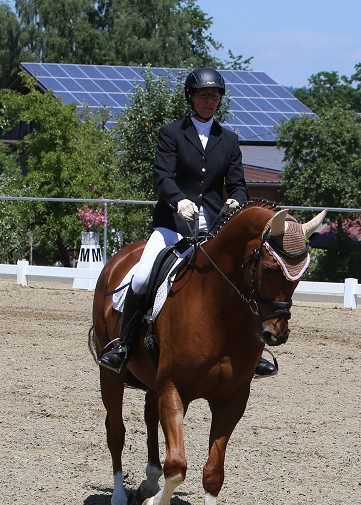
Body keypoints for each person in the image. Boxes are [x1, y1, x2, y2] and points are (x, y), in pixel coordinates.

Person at [98, 67, 278, 378]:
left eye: (215, 96)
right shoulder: (172, 133)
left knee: (242, 280)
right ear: (191, 97)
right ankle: (123, 344)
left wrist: (236, 199)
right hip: (172, 225)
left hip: (215, 230)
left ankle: (251, 350)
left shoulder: (230, 140)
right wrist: (178, 200)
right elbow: (163, 176)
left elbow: (237, 184)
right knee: (141, 278)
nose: (210, 101)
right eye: (204, 95)